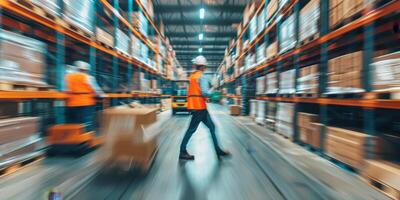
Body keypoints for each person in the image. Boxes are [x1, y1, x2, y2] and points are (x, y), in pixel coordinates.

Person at [179, 56, 230, 160]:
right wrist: (213, 88)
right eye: (205, 67)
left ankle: (218, 150)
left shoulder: (192, 76)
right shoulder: (201, 77)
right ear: (203, 67)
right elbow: (205, 93)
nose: (205, 68)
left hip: (196, 107)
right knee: (191, 130)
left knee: (211, 127)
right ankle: (182, 151)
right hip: (199, 108)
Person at [65, 61, 105, 132]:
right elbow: (95, 89)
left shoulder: (68, 77)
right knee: (86, 121)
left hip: (72, 102)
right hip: (86, 102)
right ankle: (86, 137)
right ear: (85, 70)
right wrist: (102, 95)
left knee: (75, 121)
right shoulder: (88, 77)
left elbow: (66, 89)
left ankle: (75, 137)